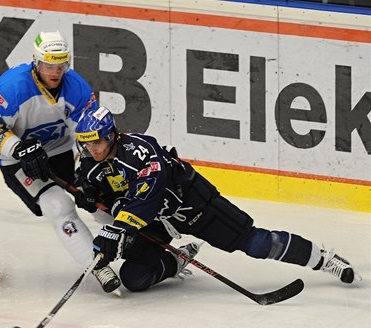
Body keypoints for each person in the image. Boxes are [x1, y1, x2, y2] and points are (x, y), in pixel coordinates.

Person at [74, 106, 359, 292]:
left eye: (96, 142)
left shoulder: (138, 149)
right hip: (155, 219)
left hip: (192, 205)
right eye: (86, 143)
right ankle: (176, 260)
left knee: (256, 243)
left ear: (111, 135)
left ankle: (323, 259)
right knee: (134, 278)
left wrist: (118, 226)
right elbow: (95, 189)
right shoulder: (90, 161)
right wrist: (88, 195)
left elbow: (148, 193)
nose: (92, 149)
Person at [0, 30, 121, 293]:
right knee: (57, 206)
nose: (55, 72)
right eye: (48, 65)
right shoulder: (10, 88)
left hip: (59, 151)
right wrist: (20, 148)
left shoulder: (76, 87)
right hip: (17, 160)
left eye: (61, 65)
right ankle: (98, 267)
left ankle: (145, 245)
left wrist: (89, 173)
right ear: (36, 62)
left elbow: (89, 133)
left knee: (98, 195)